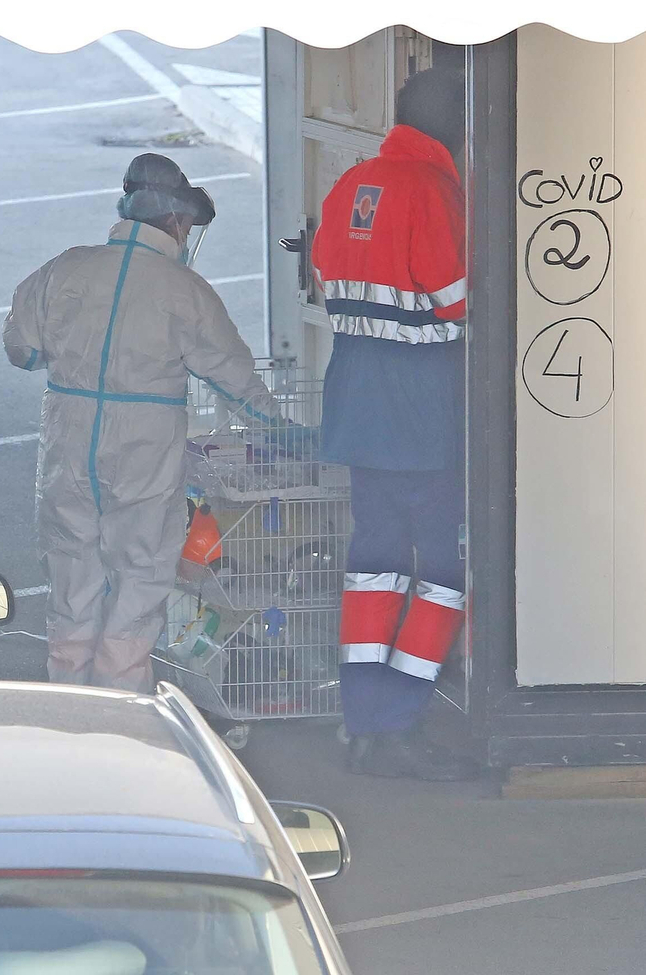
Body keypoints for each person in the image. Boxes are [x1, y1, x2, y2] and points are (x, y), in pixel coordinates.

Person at [3, 153, 278, 692]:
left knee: (71, 572)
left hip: (69, 433)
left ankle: (65, 709)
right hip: (145, 447)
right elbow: (236, 382)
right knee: (141, 575)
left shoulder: (64, 268)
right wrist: (282, 430)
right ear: (177, 221)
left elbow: (21, 350)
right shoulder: (187, 291)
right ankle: (121, 714)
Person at [309, 66, 476, 781]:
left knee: (371, 567)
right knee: (439, 569)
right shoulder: (434, 189)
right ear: (452, 130)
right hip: (423, 413)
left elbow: (321, 269)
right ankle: (402, 719)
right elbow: (457, 296)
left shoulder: (353, 182)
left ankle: (363, 720)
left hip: (358, 406)